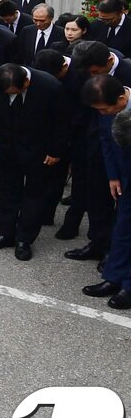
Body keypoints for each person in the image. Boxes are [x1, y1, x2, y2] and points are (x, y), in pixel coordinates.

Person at [0, 63, 68, 261]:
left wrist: (56, 151)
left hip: (38, 148)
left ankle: (25, 238)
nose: (10, 95)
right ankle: (5, 233)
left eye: (14, 92)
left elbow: (61, 122)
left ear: (26, 83)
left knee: (34, 194)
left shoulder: (50, 86)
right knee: (7, 189)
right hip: (6, 145)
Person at [81, 75, 131, 308]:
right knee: (122, 229)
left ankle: (128, 287)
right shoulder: (106, 109)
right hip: (123, 177)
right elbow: (106, 141)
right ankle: (113, 277)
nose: (103, 114)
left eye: (106, 109)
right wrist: (112, 176)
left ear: (122, 98)